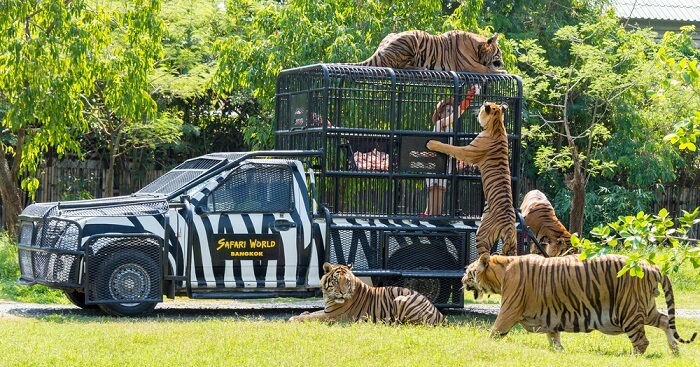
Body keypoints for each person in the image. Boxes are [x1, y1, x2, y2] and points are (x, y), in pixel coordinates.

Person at [424, 85, 479, 216]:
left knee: (440, 197)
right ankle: (431, 219)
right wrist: (466, 102)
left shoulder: (450, 131)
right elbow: (454, 117)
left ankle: (435, 219)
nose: (450, 113)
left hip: (445, 165)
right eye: (447, 111)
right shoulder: (439, 125)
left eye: (451, 111)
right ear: (440, 113)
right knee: (433, 195)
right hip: (434, 166)